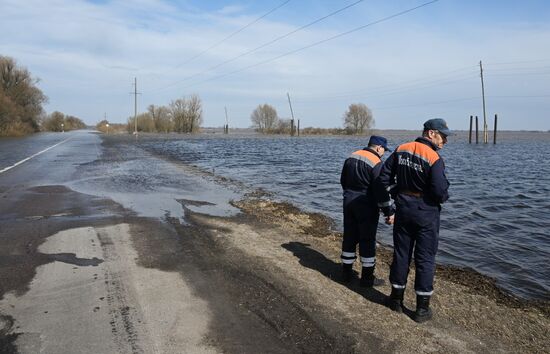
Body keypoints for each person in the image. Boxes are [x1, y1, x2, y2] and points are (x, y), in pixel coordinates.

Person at [376, 118, 452, 323]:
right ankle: (421, 309)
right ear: (431, 133)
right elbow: (439, 190)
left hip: (403, 208)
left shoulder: (401, 149)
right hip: (426, 212)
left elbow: (383, 179)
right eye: (443, 136)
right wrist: (443, 197)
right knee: (425, 258)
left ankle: (395, 300)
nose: (445, 141)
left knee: (401, 253)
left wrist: (395, 196)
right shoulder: (434, 157)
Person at [340, 135, 394, 287]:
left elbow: (343, 180)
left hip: (348, 201)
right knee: (367, 239)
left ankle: (346, 273)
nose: (384, 153)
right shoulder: (377, 163)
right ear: (378, 147)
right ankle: (367, 278)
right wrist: (389, 211)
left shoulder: (352, 156)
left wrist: (349, 194)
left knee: (349, 236)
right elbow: (381, 190)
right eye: (384, 150)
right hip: (366, 204)